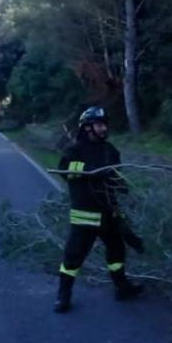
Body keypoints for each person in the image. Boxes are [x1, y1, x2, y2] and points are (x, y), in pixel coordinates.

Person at [53, 106, 143, 313]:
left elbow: (115, 176)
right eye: (99, 125)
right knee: (73, 257)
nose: (104, 128)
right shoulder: (74, 150)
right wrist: (89, 172)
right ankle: (63, 295)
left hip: (109, 213)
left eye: (104, 125)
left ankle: (122, 287)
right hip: (85, 216)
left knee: (117, 251)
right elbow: (65, 172)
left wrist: (121, 185)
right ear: (87, 128)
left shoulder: (110, 150)